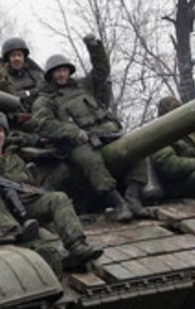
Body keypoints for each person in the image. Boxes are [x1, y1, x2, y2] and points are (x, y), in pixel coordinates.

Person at [0, 111, 103, 270]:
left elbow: (28, 181)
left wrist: (31, 189)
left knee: (58, 198)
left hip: (24, 205)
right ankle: (16, 232)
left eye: (0, 131)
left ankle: (77, 245)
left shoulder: (13, 156)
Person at [31, 35, 150, 221]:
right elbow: (44, 124)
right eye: (57, 72)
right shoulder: (45, 100)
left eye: (64, 70)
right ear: (50, 75)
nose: (62, 75)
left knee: (138, 148)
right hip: (77, 144)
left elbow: (101, 72)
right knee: (91, 161)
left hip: (108, 133)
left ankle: (133, 197)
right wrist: (74, 132)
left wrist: (95, 48)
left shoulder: (83, 86)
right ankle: (118, 203)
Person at [0, 36, 43, 110]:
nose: (17, 58)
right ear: (8, 59)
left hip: (36, 112)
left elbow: (45, 91)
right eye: (13, 55)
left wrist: (29, 93)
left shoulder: (35, 74)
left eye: (19, 55)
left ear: (24, 57)